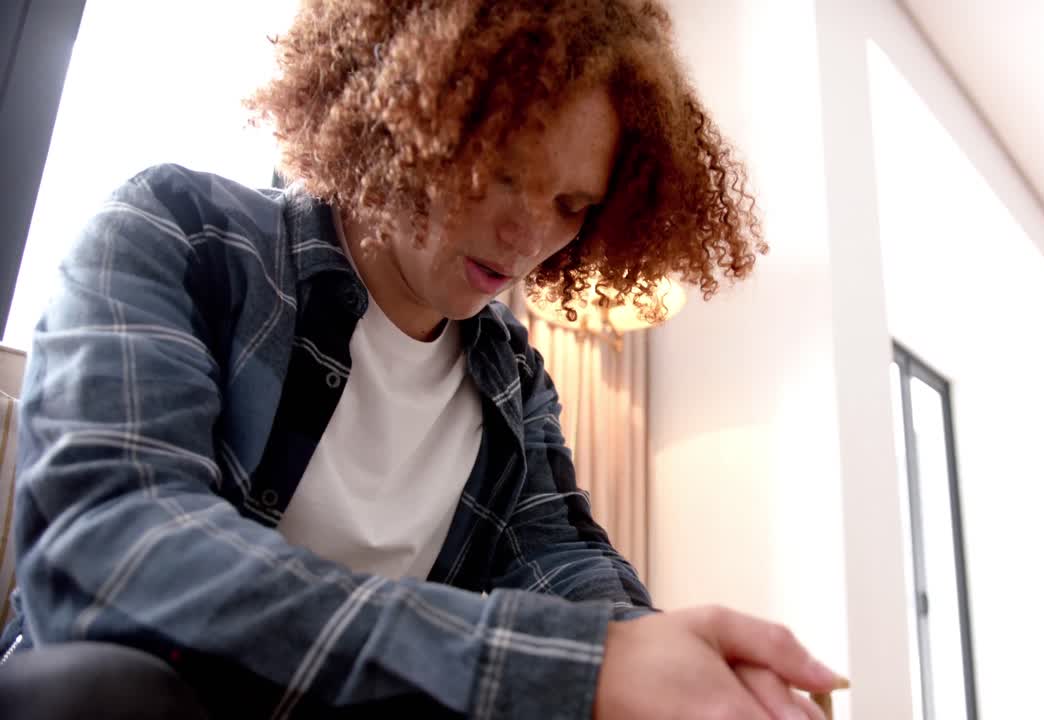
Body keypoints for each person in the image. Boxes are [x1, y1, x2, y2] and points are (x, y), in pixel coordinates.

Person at [0, 1, 846, 718]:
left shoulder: (512, 379)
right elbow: (110, 553)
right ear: (398, 117)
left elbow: (563, 564)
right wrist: (573, 668)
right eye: (498, 173)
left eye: (569, 204)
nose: (527, 239)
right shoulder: (175, 232)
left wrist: (674, 660)